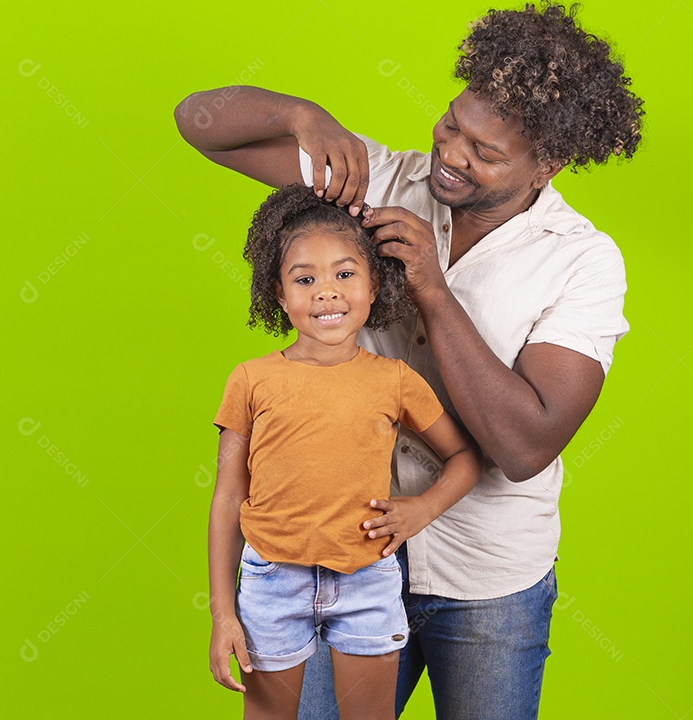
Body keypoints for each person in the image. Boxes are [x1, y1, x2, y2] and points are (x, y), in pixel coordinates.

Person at [180, 1, 645, 716]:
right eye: (454, 124)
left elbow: (524, 444)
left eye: (485, 152)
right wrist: (300, 113)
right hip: (343, 557)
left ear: (546, 166)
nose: (454, 152)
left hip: (487, 579)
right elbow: (199, 124)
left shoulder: (582, 261)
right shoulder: (384, 179)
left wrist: (430, 285)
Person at [207, 183, 483, 720]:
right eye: (305, 279)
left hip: (366, 580)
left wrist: (421, 509)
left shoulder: (395, 381)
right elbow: (227, 498)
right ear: (279, 294)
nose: (326, 292)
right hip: (271, 581)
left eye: (344, 274)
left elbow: (465, 458)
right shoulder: (249, 380)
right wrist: (223, 612)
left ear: (375, 284)